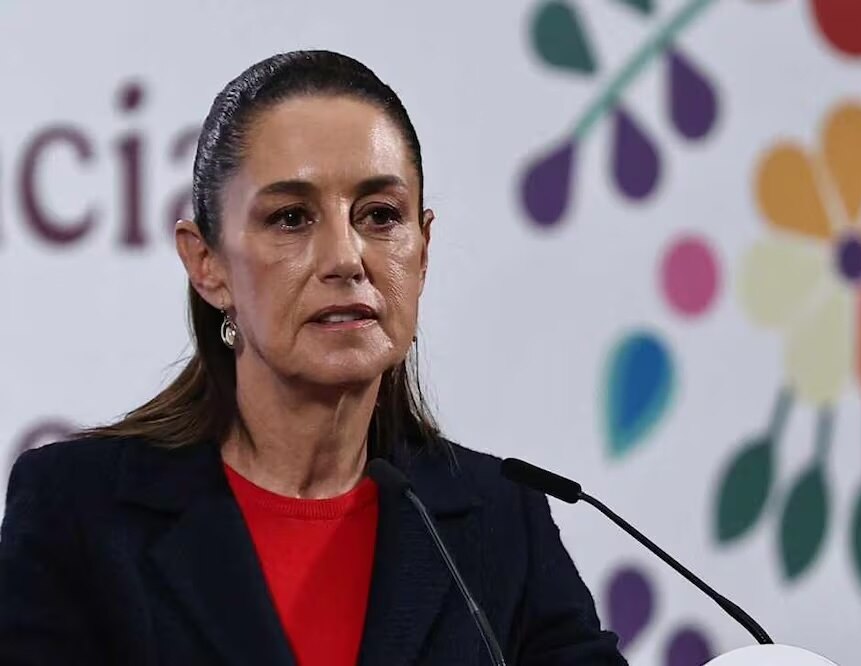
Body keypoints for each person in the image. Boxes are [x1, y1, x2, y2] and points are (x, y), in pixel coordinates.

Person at [0, 50, 626, 666]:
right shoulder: (77, 511)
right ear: (207, 264)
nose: (346, 258)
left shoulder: (498, 518)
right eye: (292, 218)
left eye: (381, 216)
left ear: (423, 248)